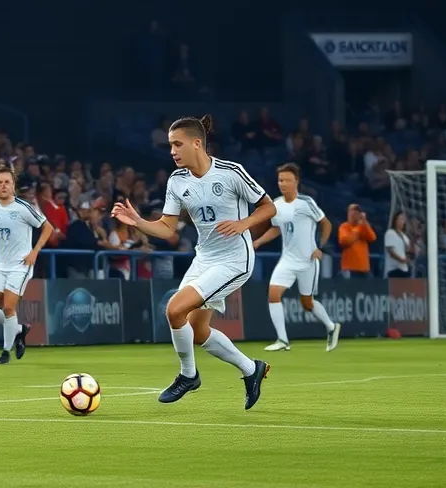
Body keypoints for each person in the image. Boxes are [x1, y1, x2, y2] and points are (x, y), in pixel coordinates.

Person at [111, 115, 273, 409]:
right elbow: (166, 228)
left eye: (177, 144)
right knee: (198, 332)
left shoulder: (231, 172)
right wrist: (137, 221)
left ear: (197, 143)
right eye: (170, 145)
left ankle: (189, 376)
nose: (172, 151)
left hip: (235, 259)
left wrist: (244, 224)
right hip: (205, 258)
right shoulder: (177, 180)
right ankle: (252, 369)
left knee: (175, 309)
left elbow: (268, 206)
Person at [0, 164, 54, 365]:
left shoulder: (23, 208)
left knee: (8, 307)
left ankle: (5, 352)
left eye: (7, 182)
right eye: (0, 182)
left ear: (13, 185)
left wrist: (34, 252)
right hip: (0, 265)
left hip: (20, 265)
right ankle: (18, 329)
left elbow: (48, 228)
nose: (4, 185)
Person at [252, 163, 341, 352]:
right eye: (280, 180)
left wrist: (320, 247)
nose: (282, 183)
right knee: (273, 294)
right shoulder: (276, 204)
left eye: (287, 180)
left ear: (296, 182)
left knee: (307, 303)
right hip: (287, 260)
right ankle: (282, 340)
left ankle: (332, 327)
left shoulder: (306, 202)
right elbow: (277, 229)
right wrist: (258, 242)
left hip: (308, 260)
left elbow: (326, 224)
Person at [384, 212, 412, 278]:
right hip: (393, 269)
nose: (403, 222)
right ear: (395, 220)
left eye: (404, 220)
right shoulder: (390, 233)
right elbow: (390, 250)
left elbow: (408, 251)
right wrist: (401, 259)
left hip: (404, 269)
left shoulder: (405, 237)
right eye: (401, 219)